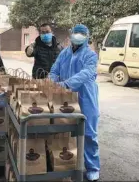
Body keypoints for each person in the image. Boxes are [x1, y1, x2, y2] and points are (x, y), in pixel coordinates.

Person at [49, 24, 100, 181]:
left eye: (81, 33)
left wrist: (66, 84)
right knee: (64, 129)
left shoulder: (90, 55)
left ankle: (92, 168)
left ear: (87, 36)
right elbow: (54, 71)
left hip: (86, 96)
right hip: (64, 97)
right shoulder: (64, 53)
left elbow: (86, 73)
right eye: (75, 33)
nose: (78, 35)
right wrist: (51, 82)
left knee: (89, 132)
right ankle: (66, 162)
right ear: (71, 35)